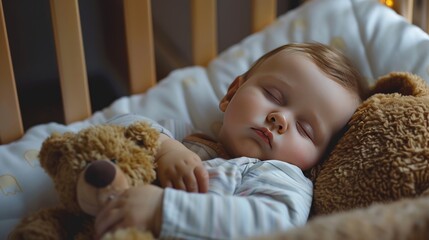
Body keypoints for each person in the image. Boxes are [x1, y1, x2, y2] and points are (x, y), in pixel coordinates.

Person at [94, 42, 367, 239]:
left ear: (318, 160)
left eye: (306, 129)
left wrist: (161, 211)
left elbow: (271, 226)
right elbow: (113, 131)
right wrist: (165, 149)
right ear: (231, 93)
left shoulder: (283, 178)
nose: (280, 118)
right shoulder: (181, 137)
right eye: (273, 95)